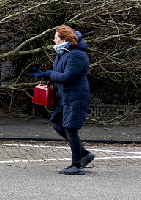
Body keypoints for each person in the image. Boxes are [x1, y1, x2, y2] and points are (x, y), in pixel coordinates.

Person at [31, 25, 94, 175]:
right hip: (65, 96)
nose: (53, 39)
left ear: (64, 39)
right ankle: (85, 154)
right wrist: (44, 74)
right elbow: (59, 73)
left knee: (70, 129)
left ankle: (76, 165)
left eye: (56, 36)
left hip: (76, 96)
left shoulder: (76, 54)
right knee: (58, 125)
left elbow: (67, 77)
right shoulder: (63, 52)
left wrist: (50, 73)